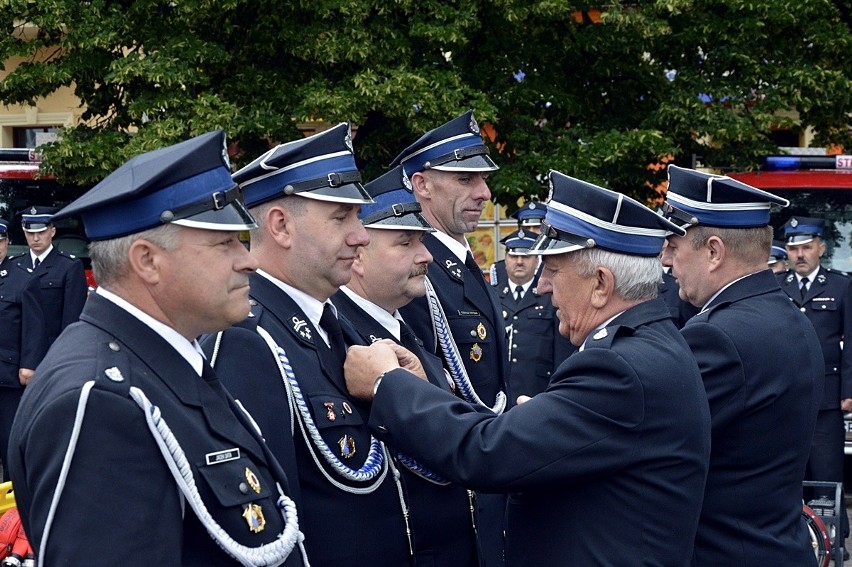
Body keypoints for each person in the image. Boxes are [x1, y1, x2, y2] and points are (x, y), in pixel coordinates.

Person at [344, 170, 712, 566]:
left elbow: (486, 452)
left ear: (601, 285)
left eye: (553, 271)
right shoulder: (649, 345)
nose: (541, 287)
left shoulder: (620, 368)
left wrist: (388, 384)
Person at [7, 131, 308, 566]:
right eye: (223, 243)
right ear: (147, 260)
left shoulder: (158, 358)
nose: (249, 261)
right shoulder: (102, 401)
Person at [202, 124, 416, 565]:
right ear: (280, 226)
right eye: (341, 217)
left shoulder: (333, 322)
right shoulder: (248, 338)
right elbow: (268, 528)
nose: (360, 235)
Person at [660, 164, 823, 565]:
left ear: (713, 252)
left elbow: (648, 437)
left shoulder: (719, 335)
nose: (666, 261)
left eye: (674, 247)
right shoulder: (786, 317)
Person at [330, 165, 479, 565]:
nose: (426, 255)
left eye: (423, 240)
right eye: (406, 242)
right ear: (358, 255)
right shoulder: (342, 341)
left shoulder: (409, 330)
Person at [391, 110, 508, 565]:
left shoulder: (458, 261)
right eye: (465, 179)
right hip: (449, 489)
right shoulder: (419, 272)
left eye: (482, 180)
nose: (484, 193)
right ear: (421, 185)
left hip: (482, 478)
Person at [779, 216, 852, 556]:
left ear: (821, 248)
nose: (800, 255)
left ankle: (833, 540)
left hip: (827, 398)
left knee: (826, 471)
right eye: (794, 249)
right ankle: (793, 539)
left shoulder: (841, 286)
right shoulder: (777, 286)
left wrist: (848, 390)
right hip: (785, 396)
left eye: (807, 247)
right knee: (790, 469)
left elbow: (851, 342)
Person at [497, 229, 575, 399]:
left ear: (536, 260)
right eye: (513, 256)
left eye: (525, 256)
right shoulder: (493, 295)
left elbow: (562, 350)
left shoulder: (551, 297)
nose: (519, 262)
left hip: (539, 390)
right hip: (501, 393)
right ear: (505, 260)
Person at [0, 219, 47, 481]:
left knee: (9, 444)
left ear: (6, 243)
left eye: (0, 241)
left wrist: (29, 365)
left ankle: (10, 511)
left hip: (7, 376)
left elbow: (34, 328)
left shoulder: (23, 280)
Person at [19, 205, 87, 345]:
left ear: (52, 231)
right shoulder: (15, 265)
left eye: (41, 232)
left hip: (51, 350)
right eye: (30, 233)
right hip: (16, 353)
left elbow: (72, 320)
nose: (36, 238)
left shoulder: (70, 266)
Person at [489, 199, 547, 289]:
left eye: (537, 227)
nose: (532, 232)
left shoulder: (555, 264)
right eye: (526, 228)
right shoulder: (498, 269)